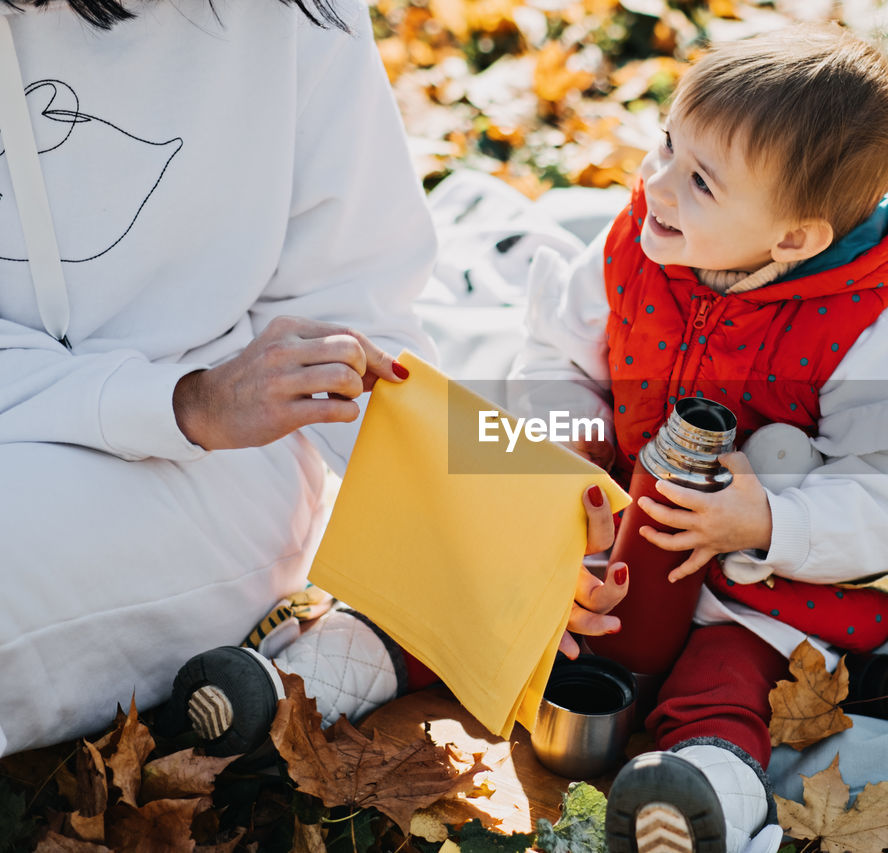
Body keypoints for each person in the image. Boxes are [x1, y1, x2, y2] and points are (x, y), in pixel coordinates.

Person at [0, 0, 624, 756]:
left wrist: (508, 530)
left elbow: (357, 336)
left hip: (215, 467)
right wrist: (177, 402)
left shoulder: (292, 16)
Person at [510, 23, 888, 853]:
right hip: (616, 524)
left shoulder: (865, 335)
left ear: (793, 238)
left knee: (725, 675)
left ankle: (698, 784)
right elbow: (556, 353)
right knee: (518, 598)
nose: (657, 185)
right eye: (665, 145)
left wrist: (767, 525)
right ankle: (342, 666)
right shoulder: (635, 247)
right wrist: (573, 434)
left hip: (754, 580)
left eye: (700, 182)